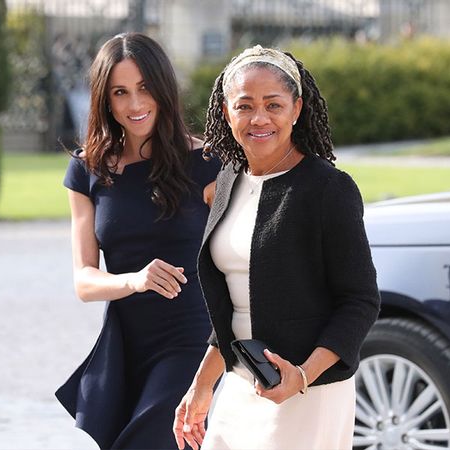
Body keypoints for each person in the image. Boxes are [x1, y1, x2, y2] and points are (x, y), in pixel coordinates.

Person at [173, 45, 381, 450]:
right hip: (241, 384)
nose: (259, 118)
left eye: (274, 104)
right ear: (226, 111)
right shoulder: (228, 181)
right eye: (245, 105)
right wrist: (201, 386)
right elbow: (235, 306)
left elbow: (360, 301)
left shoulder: (328, 190)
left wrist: (302, 375)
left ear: (297, 108)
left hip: (307, 390)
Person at [55, 32, 220, 450]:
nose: (134, 104)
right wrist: (135, 280)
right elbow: (84, 281)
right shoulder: (87, 171)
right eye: (120, 92)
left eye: (144, 88)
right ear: (105, 100)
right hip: (125, 344)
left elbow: (241, 259)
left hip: (191, 340)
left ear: (163, 88)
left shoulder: (206, 164)